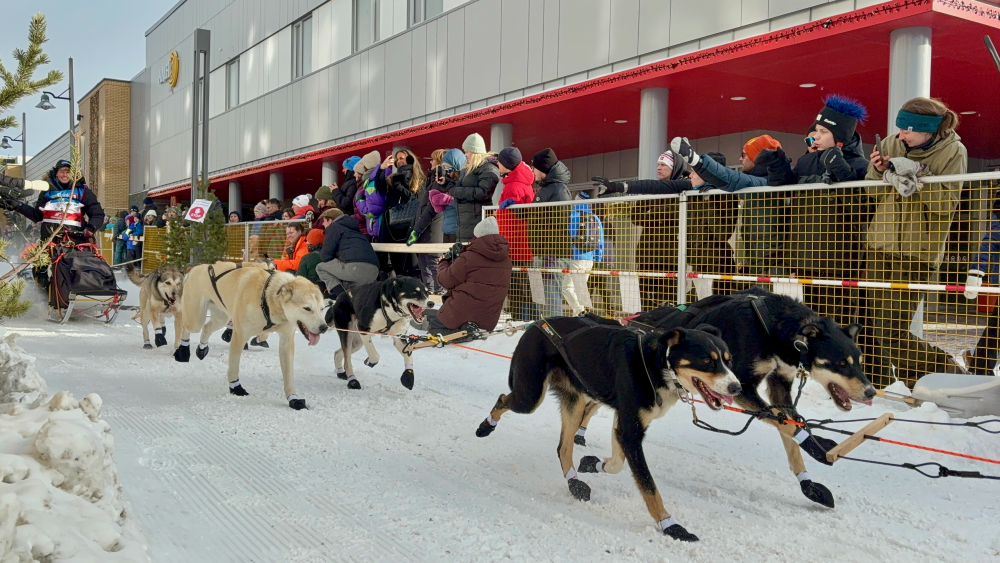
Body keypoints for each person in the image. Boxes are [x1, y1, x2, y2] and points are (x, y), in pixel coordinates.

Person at [864, 96, 968, 384]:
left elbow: (946, 204)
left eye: (907, 130)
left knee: (893, 330)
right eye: (899, 129)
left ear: (927, 129)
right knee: (881, 328)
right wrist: (878, 170)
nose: (901, 135)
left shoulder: (954, 151)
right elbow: (872, 192)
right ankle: (922, 378)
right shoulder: (892, 143)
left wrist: (918, 174)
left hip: (917, 252)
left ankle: (940, 371)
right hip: (879, 245)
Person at [421, 216, 511, 333]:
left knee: (434, 327)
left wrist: (444, 262)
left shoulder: (469, 257)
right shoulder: (507, 260)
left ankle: (465, 333)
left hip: (463, 314)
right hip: (488, 321)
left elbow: (445, 280)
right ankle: (469, 331)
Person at [521, 148, 572, 317]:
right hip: (543, 253)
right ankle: (545, 330)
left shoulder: (558, 190)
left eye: (534, 167)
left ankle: (553, 334)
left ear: (542, 169)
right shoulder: (547, 188)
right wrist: (518, 211)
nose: (532, 171)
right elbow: (539, 217)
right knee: (543, 300)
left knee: (551, 300)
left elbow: (559, 224)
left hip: (551, 256)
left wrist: (550, 255)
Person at [7, 159, 105, 245]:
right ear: (56, 174)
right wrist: (17, 205)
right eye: (62, 171)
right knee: (41, 266)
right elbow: (37, 215)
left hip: (75, 239)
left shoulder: (82, 191)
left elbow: (97, 214)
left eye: (68, 172)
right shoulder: (47, 190)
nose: (65, 175)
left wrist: (91, 228)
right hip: (49, 239)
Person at [495, 147, 535, 319]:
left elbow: (515, 221)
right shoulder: (519, 183)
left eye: (500, 161)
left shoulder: (514, 186)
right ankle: (523, 318)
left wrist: (504, 246)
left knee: (518, 287)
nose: (497, 163)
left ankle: (520, 319)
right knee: (523, 286)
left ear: (507, 165)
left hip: (515, 246)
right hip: (520, 246)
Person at [407, 149, 449, 293]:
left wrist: (416, 230)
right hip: (425, 231)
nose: (430, 162)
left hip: (433, 232)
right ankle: (430, 293)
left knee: (433, 265)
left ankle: (439, 293)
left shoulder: (441, 183)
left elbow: (429, 211)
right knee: (424, 265)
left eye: (433, 159)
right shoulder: (430, 182)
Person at [315, 207, 380, 297]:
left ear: (330, 220)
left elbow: (325, 256)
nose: (323, 224)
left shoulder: (333, 228)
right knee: (352, 290)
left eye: (324, 221)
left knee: (320, 267)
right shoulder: (354, 230)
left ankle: (342, 297)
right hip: (373, 271)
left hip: (355, 269)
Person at [451, 133, 500, 241]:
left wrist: (456, 191)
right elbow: (457, 188)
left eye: (467, 151)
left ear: (475, 152)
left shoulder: (488, 168)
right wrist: (447, 184)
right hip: (464, 222)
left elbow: (483, 193)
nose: (465, 155)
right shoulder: (467, 169)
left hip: (476, 220)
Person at [428, 149, 464, 244]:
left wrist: (448, 200)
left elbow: (463, 204)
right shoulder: (448, 182)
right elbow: (438, 209)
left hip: (458, 230)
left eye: (449, 169)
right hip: (447, 229)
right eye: (445, 169)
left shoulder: (462, 182)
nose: (447, 172)